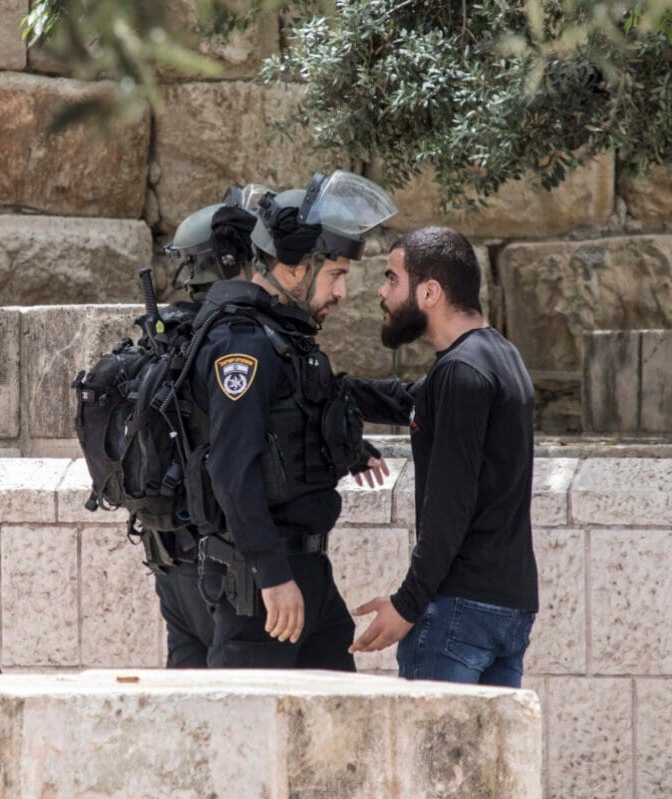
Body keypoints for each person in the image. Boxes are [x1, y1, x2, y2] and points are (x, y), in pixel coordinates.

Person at [190, 170, 396, 669]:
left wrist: (352, 448)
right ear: (291, 268)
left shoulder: (284, 337)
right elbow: (232, 471)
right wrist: (273, 573)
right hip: (264, 580)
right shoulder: (243, 344)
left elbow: (303, 415)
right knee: (251, 716)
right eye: (335, 275)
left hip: (309, 570)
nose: (341, 292)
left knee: (337, 709)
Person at [344, 226, 538, 687]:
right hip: (509, 608)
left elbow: (449, 506)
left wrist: (407, 605)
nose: (382, 292)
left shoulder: (460, 373)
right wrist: (328, 390)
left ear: (429, 292)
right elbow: (407, 401)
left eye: (392, 278)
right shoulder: (498, 356)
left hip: (459, 612)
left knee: (430, 738)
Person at [143, 197, 260, 667]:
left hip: (168, 557)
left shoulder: (168, 337)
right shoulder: (229, 341)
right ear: (233, 263)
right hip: (217, 565)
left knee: (185, 694)